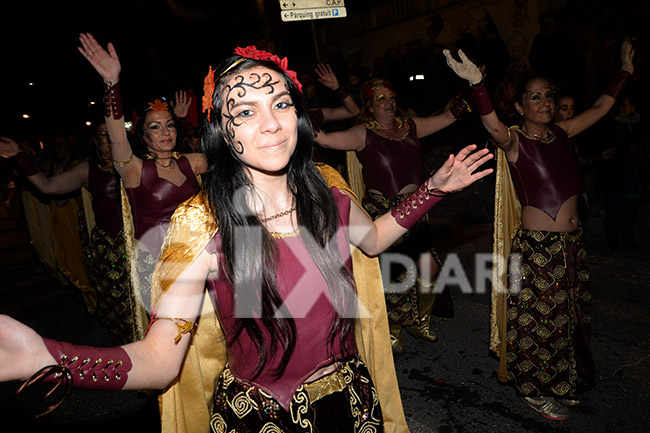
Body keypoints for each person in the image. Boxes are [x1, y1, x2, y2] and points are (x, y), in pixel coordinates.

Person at [0, 46, 493, 433]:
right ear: (221, 130)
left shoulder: (330, 190)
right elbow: (158, 359)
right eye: (246, 111)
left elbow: (375, 239)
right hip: (261, 419)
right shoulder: (200, 224)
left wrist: (433, 189)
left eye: (280, 103)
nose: (272, 123)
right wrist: (49, 355)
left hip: (353, 404)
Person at [444, 38, 634, 420]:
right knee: (539, 323)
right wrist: (477, 86)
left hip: (572, 246)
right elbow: (492, 125)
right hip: (538, 249)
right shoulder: (516, 141)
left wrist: (625, 70)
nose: (544, 102)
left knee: (571, 319)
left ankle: (561, 383)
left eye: (548, 95)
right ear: (519, 106)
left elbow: (600, 107)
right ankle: (533, 389)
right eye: (534, 97)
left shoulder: (563, 134)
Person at [313, 76, 470, 354]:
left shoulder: (410, 127)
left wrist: (474, 85)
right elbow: (323, 140)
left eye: (392, 97)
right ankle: (393, 328)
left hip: (415, 207)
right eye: (381, 99)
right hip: (381, 209)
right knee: (394, 274)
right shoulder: (362, 134)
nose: (389, 102)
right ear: (370, 107)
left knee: (429, 269)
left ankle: (419, 321)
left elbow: (449, 116)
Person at [78, 33, 208, 339]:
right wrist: (112, 84)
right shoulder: (135, 170)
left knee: (206, 340)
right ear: (144, 136)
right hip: (158, 273)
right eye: (154, 127)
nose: (164, 132)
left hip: (200, 264)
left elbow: (230, 155)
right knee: (173, 339)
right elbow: (116, 138)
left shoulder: (193, 162)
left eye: (169, 125)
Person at [1, 123, 135, 345]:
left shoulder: (140, 163)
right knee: (121, 316)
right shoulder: (87, 169)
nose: (111, 139)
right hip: (112, 257)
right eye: (104, 135)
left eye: (115, 133)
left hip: (145, 249)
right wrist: (20, 157)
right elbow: (48, 187)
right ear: (94, 142)